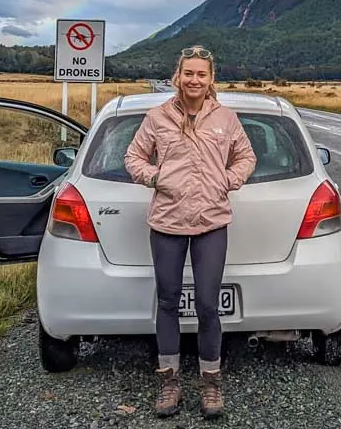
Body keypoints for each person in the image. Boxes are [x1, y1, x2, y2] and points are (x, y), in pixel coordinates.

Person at [124, 44, 257, 420]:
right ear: (177, 77)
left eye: (202, 74)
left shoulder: (226, 119)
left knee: (207, 305)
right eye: (188, 73)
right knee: (167, 302)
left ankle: (210, 382)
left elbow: (247, 156)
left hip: (211, 223)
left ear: (211, 79)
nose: (194, 79)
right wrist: (156, 177)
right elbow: (133, 158)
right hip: (166, 223)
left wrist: (230, 180)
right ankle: (168, 381)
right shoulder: (157, 117)